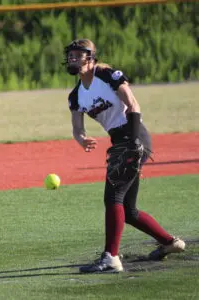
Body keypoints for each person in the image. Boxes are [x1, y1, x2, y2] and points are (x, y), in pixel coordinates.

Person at [63, 38, 186, 273]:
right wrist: (81, 139)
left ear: (90, 57)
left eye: (78, 54)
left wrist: (132, 141)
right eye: (70, 55)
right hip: (121, 142)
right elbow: (77, 128)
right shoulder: (75, 96)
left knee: (113, 198)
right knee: (128, 210)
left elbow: (133, 103)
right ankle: (170, 243)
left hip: (134, 134)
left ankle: (110, 257)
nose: (73, 58)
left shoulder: (107, 74)